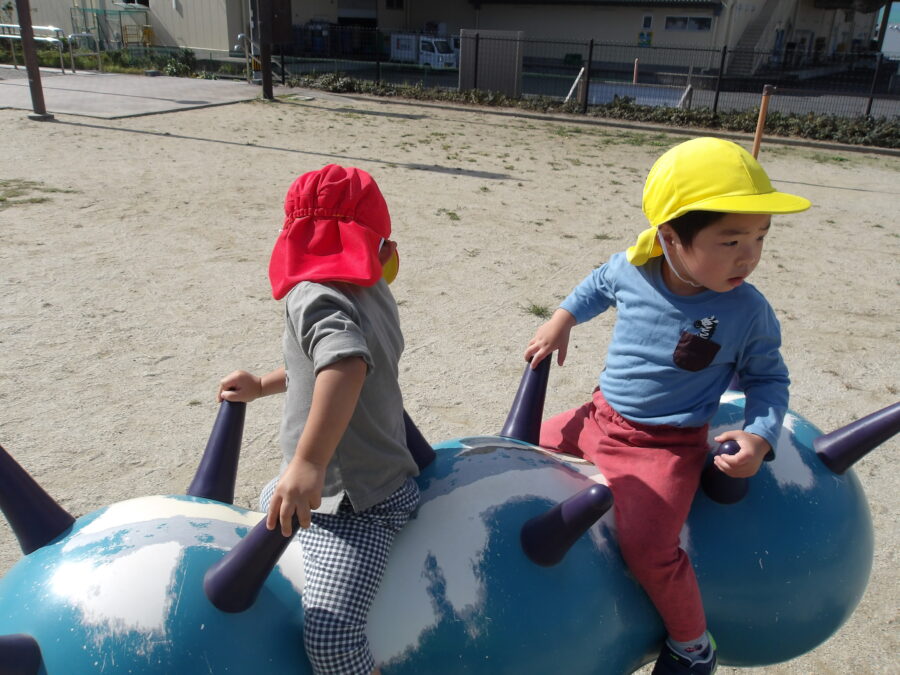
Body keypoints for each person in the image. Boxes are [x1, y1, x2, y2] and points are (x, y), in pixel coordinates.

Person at [524, 137, 811, 675]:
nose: (749, 255)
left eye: (760, 237)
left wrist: (760, 436)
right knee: (514, 452)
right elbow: (598, 284)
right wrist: (562, 319)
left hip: (665, 447)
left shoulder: (747, 310)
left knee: (649, 548)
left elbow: (768, 378)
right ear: (670, 238)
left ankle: (693, 644)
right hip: (599, 417)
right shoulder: (633, 269)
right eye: (731, 240)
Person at [217, 164, 419, 675]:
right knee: (269, 499)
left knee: (332, 639)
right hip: (339, 485)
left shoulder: (314, 293)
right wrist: (263, 384)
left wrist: (308, 463)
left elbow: (345, 365)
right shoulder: (370, 289)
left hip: (357, 505)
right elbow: (319, 366)